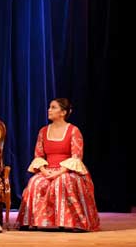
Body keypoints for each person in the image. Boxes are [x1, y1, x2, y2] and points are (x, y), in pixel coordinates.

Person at [17, 98, 100, 232]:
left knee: (62, 181)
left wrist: (59, 172)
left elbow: (76, 157)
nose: (49, 110)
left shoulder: (73, 131)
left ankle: (74, 222)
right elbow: (38, 155)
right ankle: (29, 221)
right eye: (49, 107)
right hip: (48, 169)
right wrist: (44, 171)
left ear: (63, 112)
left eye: (53, 107)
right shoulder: (43, 131)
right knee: (35, 182)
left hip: (68, 171)